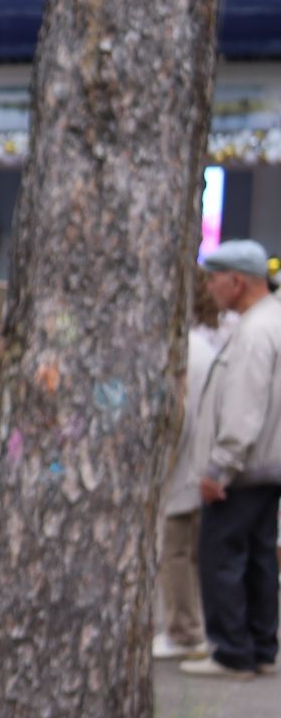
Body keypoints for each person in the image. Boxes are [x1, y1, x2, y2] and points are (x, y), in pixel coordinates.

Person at [183, 239, 281, 680]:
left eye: (214, 277)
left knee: (222, 555)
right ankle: (261, 646)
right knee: (259, 557)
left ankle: (232, 652)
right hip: (269, 465)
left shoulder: (255, 331)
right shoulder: (272, 322)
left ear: (237, 281)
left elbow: (244, 406)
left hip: (244, 467)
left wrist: (220, 465)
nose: (209, 286)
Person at [155, 271, 225, 661]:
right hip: (201, 466)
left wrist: (164, 465)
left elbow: (178, 417)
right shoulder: (207, 348)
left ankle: (183, 630)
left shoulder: (186, 351)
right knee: (190, 553)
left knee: (177, 553)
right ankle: (190, 625)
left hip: (185, 469)